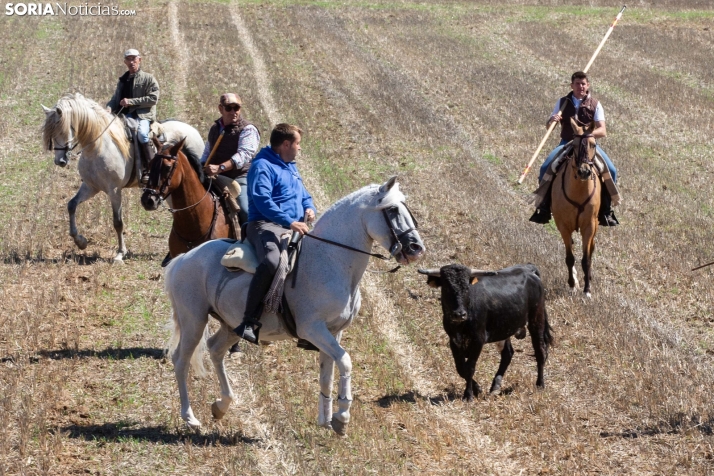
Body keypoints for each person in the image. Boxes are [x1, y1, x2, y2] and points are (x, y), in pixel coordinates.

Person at [234, 124, 317, 344]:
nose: (299, 149)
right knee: (272, 261)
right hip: (265, 225)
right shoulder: (262, 166)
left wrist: (309, 208)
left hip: (291, 226)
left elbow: (304, 195)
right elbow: (263, 201)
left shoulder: (290, 166)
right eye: (298, 144)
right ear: (286, 144)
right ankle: (249, 321)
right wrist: (290, 222)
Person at [530, 71, 619, 226]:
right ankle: (544, 208)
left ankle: (606, 210)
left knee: (611, 171)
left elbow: (602, 130)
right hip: (566, 142)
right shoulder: (563, 102)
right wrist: (552, 120)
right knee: (545, 168)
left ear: (588, 85)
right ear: (572, 85)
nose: (580, 87)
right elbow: (549, 127)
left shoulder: (595, 104)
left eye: (583, 83)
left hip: (587, 145)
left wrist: (586, 136)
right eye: (577, 84)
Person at [201, 93, 260, 225]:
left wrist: (220, 168)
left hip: (239, 177)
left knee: (246, 211)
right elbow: (207, 152)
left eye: (237, 108)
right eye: (229, 108)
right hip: (215, 175)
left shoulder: (248, 129)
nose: (233, 112)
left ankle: (251, 238)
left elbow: (243, 155)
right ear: (220, 109)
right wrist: (200, 166)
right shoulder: (215, 128)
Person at [106, 49, 159, 184]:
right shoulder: (122, 80)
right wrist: (109, 107)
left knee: (142, 134)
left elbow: (153, 99)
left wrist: (131, 102)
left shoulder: (148, 79)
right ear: (125, 62)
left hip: (143, 115)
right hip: (125, 116)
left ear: (139, 60)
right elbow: (115, 99)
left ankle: (150, 168)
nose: (131, 62)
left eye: (134, 59)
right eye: (128, 59)